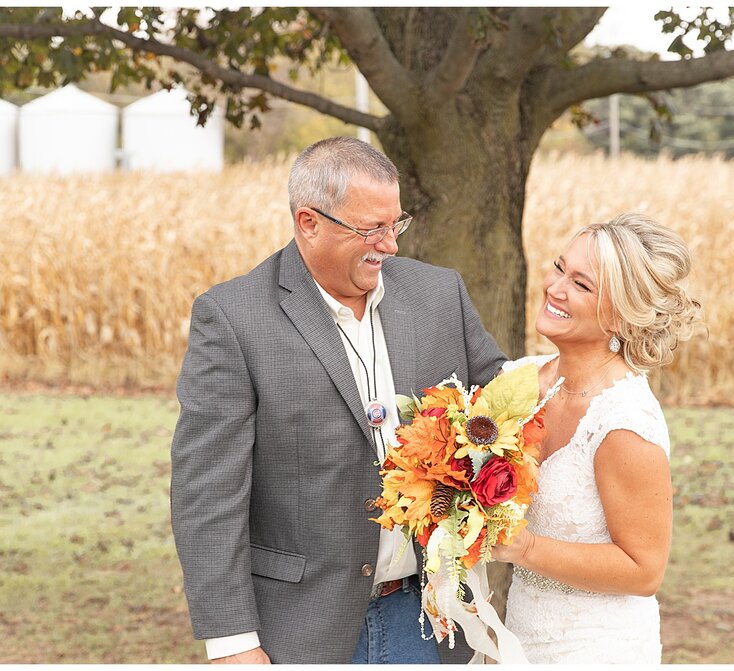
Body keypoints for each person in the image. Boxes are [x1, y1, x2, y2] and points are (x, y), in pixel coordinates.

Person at [170, 136, 506, 664]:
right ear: (309, 222)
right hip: (298, 628)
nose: (391, 244)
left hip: (426, 621)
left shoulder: (441, 294)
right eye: (372, 228)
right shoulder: (233, 318)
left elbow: (504, 407)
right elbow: (208, 493)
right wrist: (233, 643)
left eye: (396, 223)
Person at [491, 213, 703, 663]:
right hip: (519, 636)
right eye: (559, 267)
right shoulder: (520, 381)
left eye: (582, 285)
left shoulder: (624, 423)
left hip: (597, 647)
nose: (555, 288)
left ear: (622, 318)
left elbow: (644, 571)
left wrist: (525, 547)